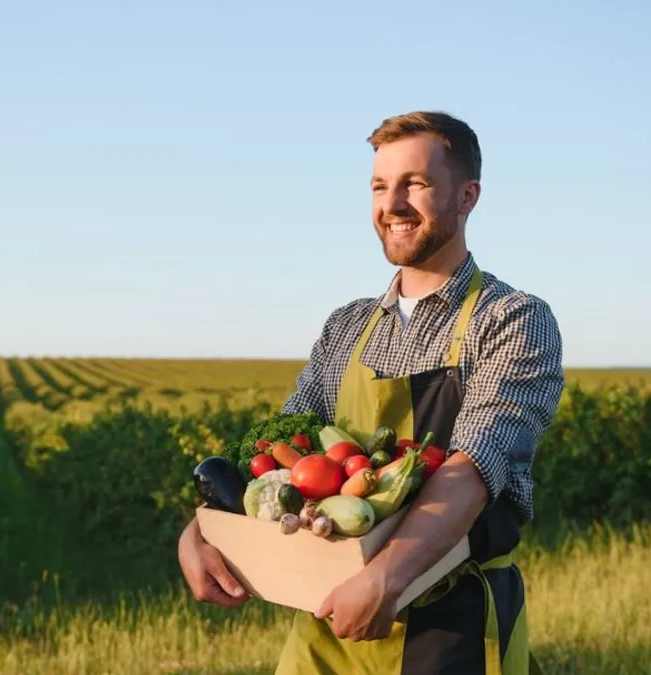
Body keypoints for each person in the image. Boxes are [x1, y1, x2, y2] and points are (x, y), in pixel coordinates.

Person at [177, 110, 565, 675]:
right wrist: (204, 530)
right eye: (381, 186)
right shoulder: (347, 326)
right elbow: (277, 457)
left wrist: (385, 578)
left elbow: (474, 468)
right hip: (328, 620)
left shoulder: (511, 318)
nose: (393, 203)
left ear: (467, 197)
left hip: (450, 626)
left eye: (417, 183)